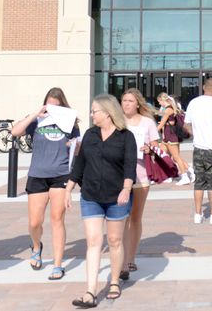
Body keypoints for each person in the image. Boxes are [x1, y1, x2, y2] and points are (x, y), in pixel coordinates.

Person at [68, 94, 136, 306]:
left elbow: (129, 166)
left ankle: (114, 281)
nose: (91, 114)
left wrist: (126, 189)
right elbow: (80, 164)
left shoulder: (126, 136)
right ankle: (90, 290)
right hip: (91, 196)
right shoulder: (89, 135)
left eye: (94, 111)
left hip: (117, 197)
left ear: (107, 112)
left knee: (115, 241)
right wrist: (69, 187)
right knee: (94, 241)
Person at [11, 86, 79, 281]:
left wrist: (74, 147)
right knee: (35, 222)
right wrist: (35, 114)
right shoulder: (37, 120)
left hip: (60, 174)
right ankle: (36, 246)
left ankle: (57, 264)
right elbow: (15, 132)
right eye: (50, 106)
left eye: (57, 106)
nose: (53, 110)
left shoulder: (70, 123)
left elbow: (78, 148)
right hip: (38, 174)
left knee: (57, 219)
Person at [120, 89, 160, 277]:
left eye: (130, 100)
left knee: (134, 218)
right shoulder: (116, 121)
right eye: (124, 100)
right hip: (118, 177)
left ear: (138, 104)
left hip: (141, 176)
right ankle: (120, 258)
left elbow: (157, 146)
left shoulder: (147, 122)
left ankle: (130, 258)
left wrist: (149, 148)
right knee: (119, 219)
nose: (126, 104)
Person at [184, 77, 212, 225]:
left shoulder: (193, 103)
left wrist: (195, 134)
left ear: (204, 87)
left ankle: (197, 214)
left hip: (198, 147)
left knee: (199, 182)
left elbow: (186, 125)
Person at [155, 93, 192, 185]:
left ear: (163, 100)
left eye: (159, 102)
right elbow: (171, 122)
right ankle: (169, 175)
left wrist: (151, 133)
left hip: (171, 137)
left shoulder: (168, 109)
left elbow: (162, 124)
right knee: (164, 156)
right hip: (167, 137)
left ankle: (185, 176)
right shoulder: (170, 108)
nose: (159, 104)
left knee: (176, 158)